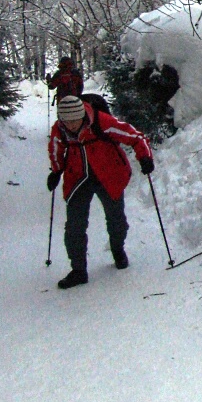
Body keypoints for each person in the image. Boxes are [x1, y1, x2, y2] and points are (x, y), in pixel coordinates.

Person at [47, 95, 155, 289]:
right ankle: (78, 270)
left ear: (82, 115)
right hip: (78, 178)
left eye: (74, 120)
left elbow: (135, 136)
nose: (71, 125)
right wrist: (56, 171)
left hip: (109, 174)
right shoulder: (60, 128)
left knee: (116, 220)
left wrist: (145, 157)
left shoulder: (102, 122)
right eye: (66, 121)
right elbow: (55, 148)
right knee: (74, 226)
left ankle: (118, 249)